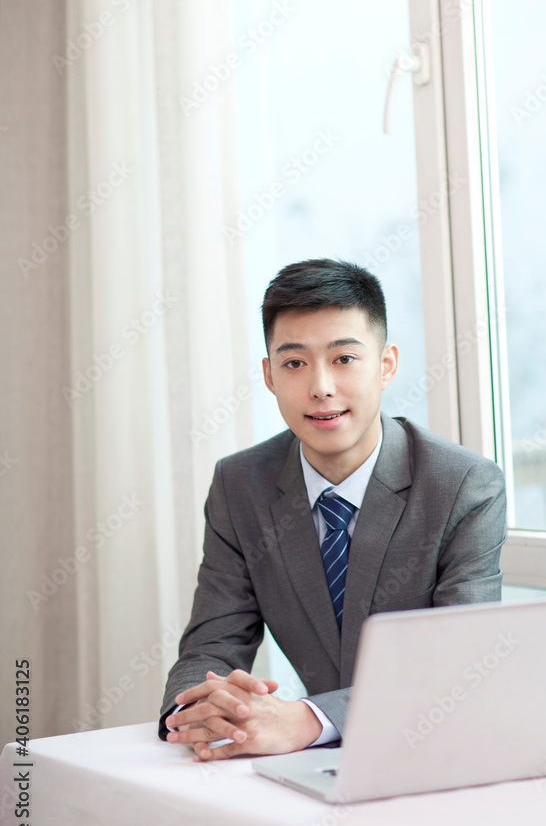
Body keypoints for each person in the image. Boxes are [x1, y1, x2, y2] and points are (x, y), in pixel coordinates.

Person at [159, 258, 506, 761]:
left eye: (344, 359)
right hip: (313, 765)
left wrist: (307, 719)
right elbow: (211, 645)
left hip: (441, 754)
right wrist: (203, 709)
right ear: (270, 375)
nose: (320, 386)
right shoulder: (240, 485)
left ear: (386, 365)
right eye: (295, 363)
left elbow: (460, 667)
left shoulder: (463, 486)